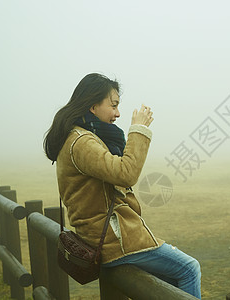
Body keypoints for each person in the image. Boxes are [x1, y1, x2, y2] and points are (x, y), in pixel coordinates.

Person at [43, 73, 201, 298]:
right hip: (111, 240)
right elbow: (126, 173)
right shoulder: (82, 142)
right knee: (188, 269)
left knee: (166, 284)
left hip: (99, 236)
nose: (118, 113)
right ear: (92, 105)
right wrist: (139, 129)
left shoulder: (78, 137)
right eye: (113, 105)